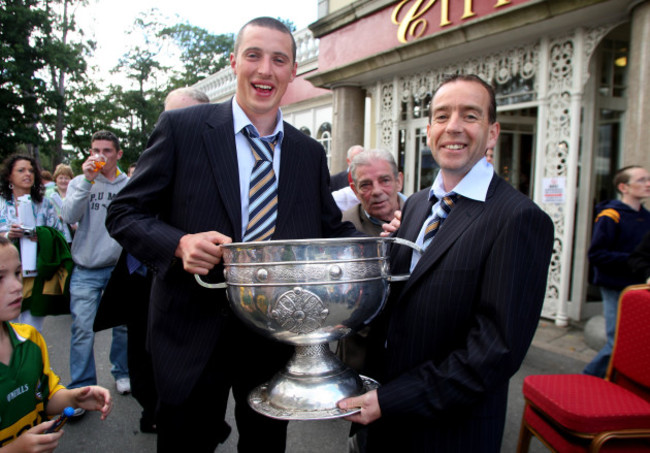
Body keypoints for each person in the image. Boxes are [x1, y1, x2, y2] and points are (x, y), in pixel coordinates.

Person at [105, 17, 359, 453]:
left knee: (264, 446)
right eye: (254, 56)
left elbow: (327, 230)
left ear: (293, 71)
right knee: (185, 442)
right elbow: (125, 212)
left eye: (279, 59)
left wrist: (385, 228)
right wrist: (178, 243)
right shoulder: (184, 129)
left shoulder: (307, 153)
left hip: (271, 337)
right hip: (190, 329)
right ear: (234, 62)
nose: (265, 70)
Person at [338, 74, 554, 452]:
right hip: (381, 424)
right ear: (429, 130)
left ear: (492, 133)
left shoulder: (518, 219)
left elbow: (493, 352)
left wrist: (390, 401)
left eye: (470, 115)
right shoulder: (418, 204)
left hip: (448, 432)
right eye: (441, 116)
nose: (453, 127)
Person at [95, 87, 211, 435]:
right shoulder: (158, 152)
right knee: (140, 352)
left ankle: (193, 418)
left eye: (181, 116)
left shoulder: (216, 164)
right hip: (140, 274)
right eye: (167, 116)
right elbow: (124, 213)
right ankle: (153, 411)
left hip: (190, 284)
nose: (171, 124)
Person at [0, 235, 112, 452]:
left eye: (17, 273)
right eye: (0, 277)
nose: (16, 286)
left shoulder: (31, 339)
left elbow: (44, 397)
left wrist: (74, 398)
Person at [61, 130, 131, 415]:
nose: (99, 156)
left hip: (119, 268)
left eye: (106, 151)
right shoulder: (81, 182)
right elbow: (68, 217)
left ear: (119, 154)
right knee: (82, 330)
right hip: (86, 268)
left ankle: (122, 371)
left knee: (124, 326)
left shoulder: (130, 184)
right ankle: (83, 389)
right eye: (95, 150)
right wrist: (87, 181)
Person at [583, 165, 650, 378]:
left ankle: (616, 381)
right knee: (617, 340)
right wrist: (632, 259)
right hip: (614, 285)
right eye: (640, 180)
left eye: (648, 179)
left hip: (638, 286)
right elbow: (597, 254)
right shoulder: (611, 215)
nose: (647, 184)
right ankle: (588, 378)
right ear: (624, 187)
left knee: (633, 342)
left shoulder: (647, 217)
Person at [0, 154, 65, 331]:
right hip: (5, 274)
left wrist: (42, 236)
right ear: (9, 176)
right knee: (6, 330)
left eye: (30, 170)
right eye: (21, 170)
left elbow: (60, 235)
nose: (27, 174)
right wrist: (7, 235)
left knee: (31, 331)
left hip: (36, 274)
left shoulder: (46, 204)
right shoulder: (1, 203)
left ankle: (30, 357)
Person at [342, 148, 404, 237]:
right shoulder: (343, 227)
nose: (377, 191)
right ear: (355, 191)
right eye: (365, 185)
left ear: (398, 182)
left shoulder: (423, 216)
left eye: (385, 181)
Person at [49, 164, 75, 244]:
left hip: (73, 234)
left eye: (66, 178)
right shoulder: (50, 194)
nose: (63, 181)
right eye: (60, 178)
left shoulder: (75, 194)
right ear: (56, 179)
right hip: (57, 234)